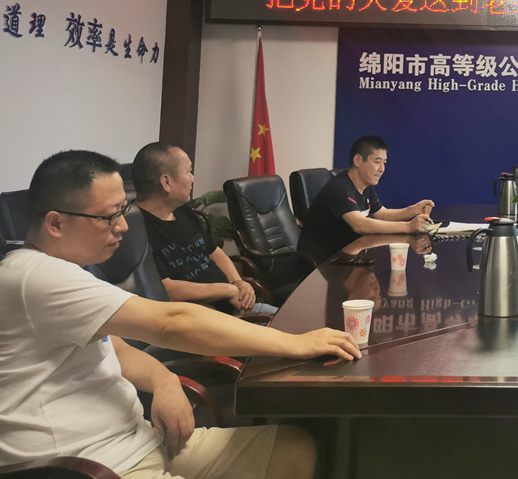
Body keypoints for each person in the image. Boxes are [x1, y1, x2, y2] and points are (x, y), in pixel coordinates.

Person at [0, 150, 360, 478]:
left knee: (293, 448)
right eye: (109, 217)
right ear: (56, 224)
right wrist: (294, 343)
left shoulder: (66, 272)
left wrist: (164, 380)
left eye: (122, 211)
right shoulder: (35, 277)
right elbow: (171, 322)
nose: (122, 226)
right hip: (87, 465)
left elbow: (117, 349)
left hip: (141, 440)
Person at [132, 142, 274, 315]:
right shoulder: (136, 228)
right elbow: (164, 288)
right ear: (166, 182)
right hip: (202, 316)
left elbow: (214, 251)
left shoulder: (181, 209)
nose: (192, 178)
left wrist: (237, 283)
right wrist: (227, 291)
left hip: (235, 305)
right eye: (188, 172)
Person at [297, 135, 434, 263]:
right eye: (377, 162)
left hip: (346, 258)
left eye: (384, 163)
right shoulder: (339, 187)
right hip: (320, 265)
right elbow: (360, 225)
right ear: (358, 160)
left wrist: (412, 210)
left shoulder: (365, 185)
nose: (382, 169)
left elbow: (382, 214)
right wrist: (408, 226)